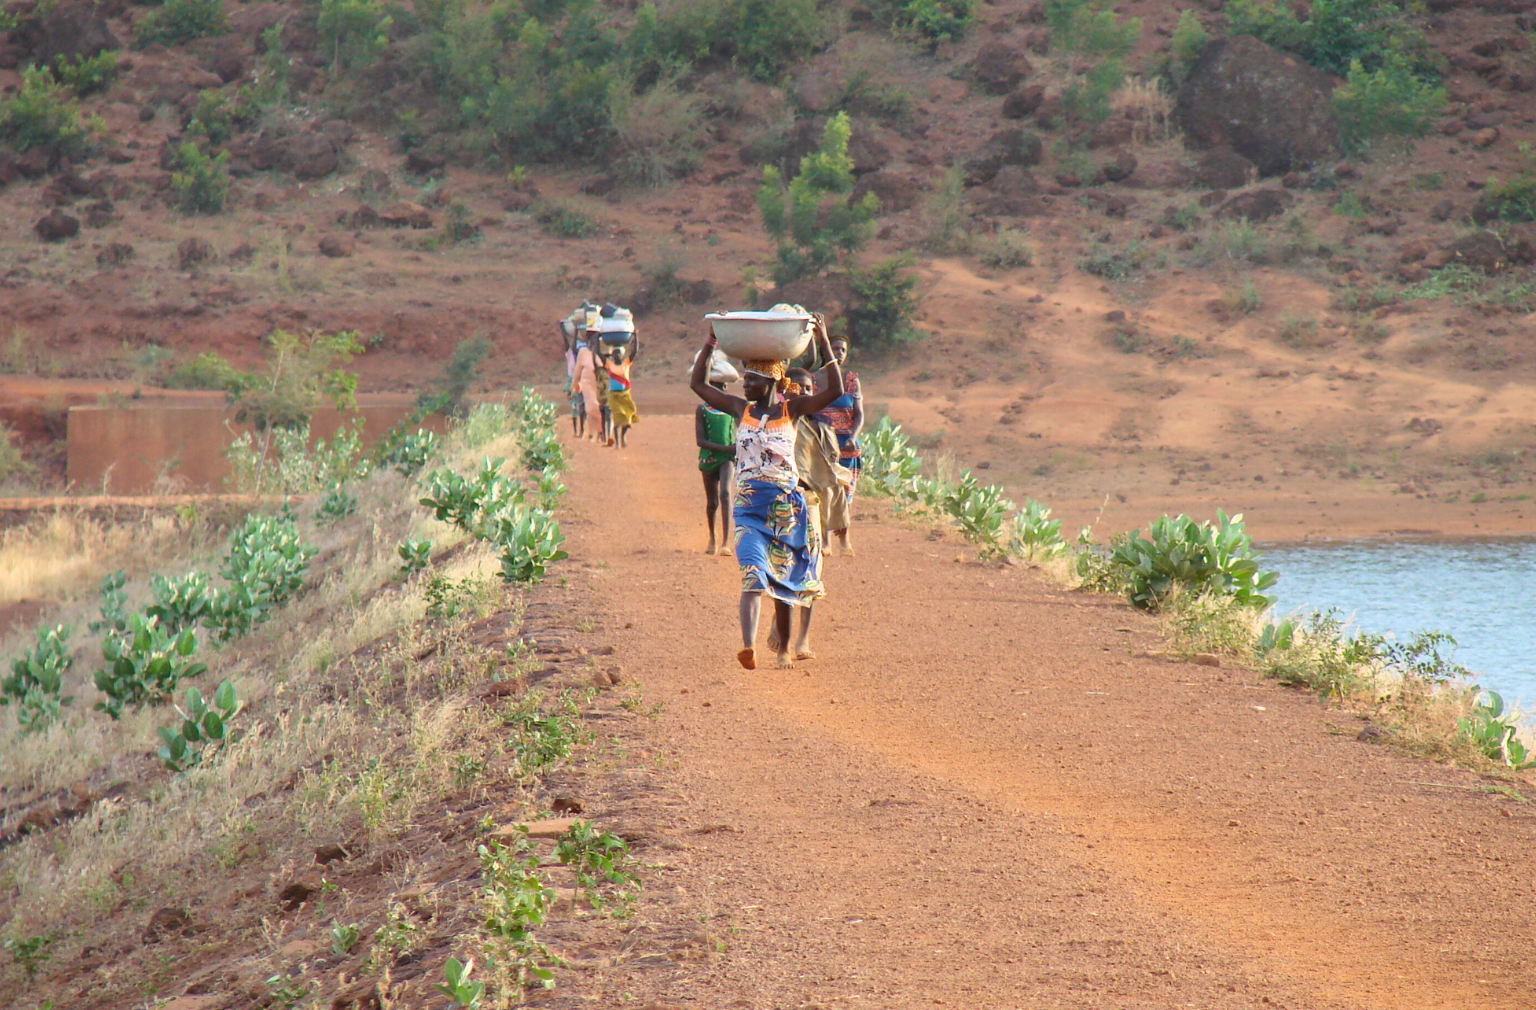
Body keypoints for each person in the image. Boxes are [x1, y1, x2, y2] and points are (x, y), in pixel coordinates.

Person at [690, 316, 844, 671]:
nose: (745, 385)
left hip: (784, 506)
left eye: (752, 380)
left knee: (784, 583)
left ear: (772, 380)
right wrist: (710, 343)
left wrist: (822, 340)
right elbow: (697, 383)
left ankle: (784, 650)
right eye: (745, 379)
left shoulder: (792, 411)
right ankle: (748, 646)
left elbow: (833, 392)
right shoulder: (737, 409)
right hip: (747, 506)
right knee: (752, 575)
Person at [766, 366, 852, 661]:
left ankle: (802, 641)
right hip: (783, 504)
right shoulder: (776, 422)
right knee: (784, 570)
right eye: (796, 386)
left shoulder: (823, 428)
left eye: (806, 388)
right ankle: (782, 633)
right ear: (784, 388)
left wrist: (840, 517)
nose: (801, 392)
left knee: (812, 573)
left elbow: (831, 473)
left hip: (812, 504)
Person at [818, 335, 863, 555]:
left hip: (846, 445)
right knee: (824, 491)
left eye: (843, 350)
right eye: (835, 349)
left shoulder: (852, 380)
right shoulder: (814, 379)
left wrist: (853, 436)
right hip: (823, 444)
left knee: (846, 493)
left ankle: (845, 541)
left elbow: (860, 415)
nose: (839, 353)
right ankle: (825, 541)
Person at [695, 351, 740, 556]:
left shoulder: (733, 408)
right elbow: (700, 440)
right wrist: (727, 448)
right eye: (719, 387)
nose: (723, 390)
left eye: (723, 387)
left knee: (725, 493)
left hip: (727, 459)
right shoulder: (702, 409)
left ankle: (724, 543)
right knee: (712, 501)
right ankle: (712, 538)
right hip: (709, 457)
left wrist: (734, 451)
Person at [570, 322, 603, 441]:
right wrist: (573, 386)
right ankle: (592, 433)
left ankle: (601, 433)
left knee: (601, 409)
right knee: (590, 408)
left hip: (601, 384)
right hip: (587, 383)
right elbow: (577, 371)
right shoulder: (583, 353)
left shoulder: (604, 354)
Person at [605, 344, 640, 448]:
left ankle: (622, 436)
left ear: (622, 355)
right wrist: (597, 339)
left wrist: (635, 336)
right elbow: (598, 353)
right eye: (615, 353)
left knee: (629, 414)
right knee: (617, 417)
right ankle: (618, 443)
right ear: (612, 355)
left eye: (619, 353)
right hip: (614, 395)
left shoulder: (626, 363)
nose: (617, 355)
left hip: (625, 394)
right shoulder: (609, 364)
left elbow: (635, 351)